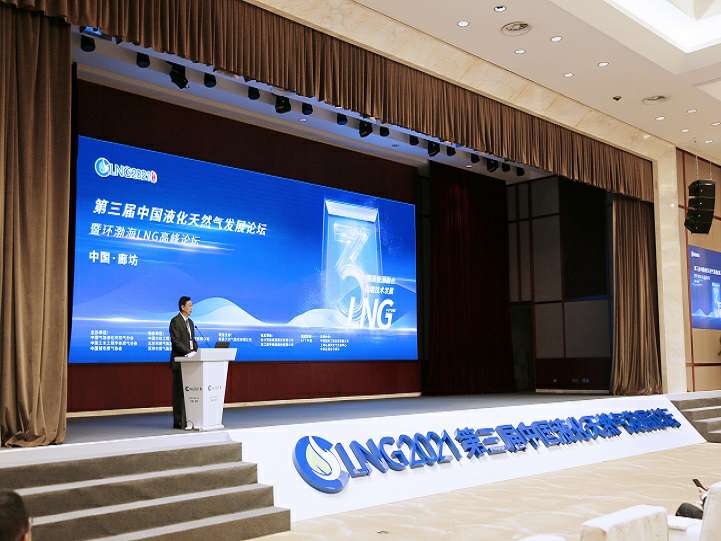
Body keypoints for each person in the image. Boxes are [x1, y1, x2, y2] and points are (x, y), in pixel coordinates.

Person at [169, 296, 198, 429]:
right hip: (179, 361)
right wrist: (188, 352)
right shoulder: (175, 321)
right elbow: (175, 342)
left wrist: (196, 352)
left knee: (189, 393)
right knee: (179, 393)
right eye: (189, 305)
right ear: (182, 307)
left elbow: (192, 340)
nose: (191, 308)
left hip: (190, 361)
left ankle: (190, 420)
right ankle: (179, 422)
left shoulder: (191, 322)